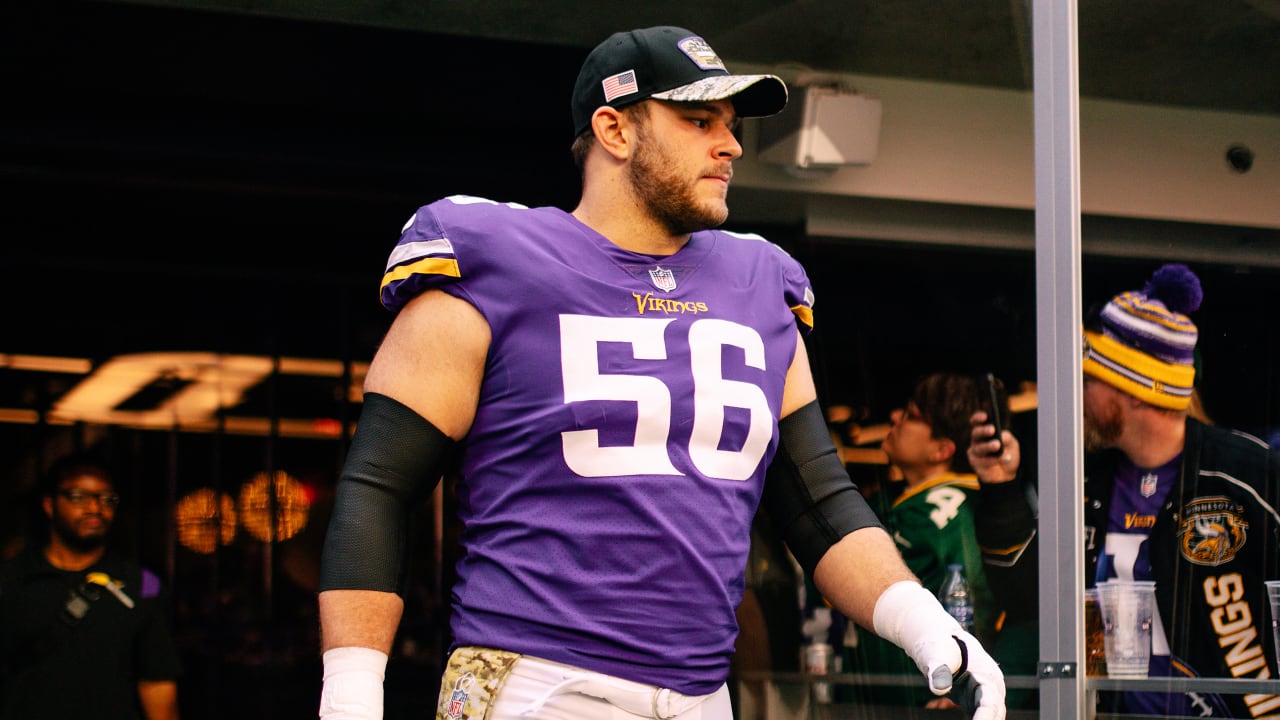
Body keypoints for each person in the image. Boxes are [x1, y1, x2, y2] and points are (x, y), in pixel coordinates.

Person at [317, 25, 1005, 720]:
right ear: (615, 129)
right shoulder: (497, 260)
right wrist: (350, 689)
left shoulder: (760, 283)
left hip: (703, 693)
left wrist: (926, 626)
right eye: (698, 119)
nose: (731, 145)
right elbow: (379, 487)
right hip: (541, 683)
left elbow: (818, 502)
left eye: (730, 125)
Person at [968, 263, 1280, 717]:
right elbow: (1029, 602)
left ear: (1134, 391)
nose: (1077, 395)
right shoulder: (1085, 479)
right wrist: (1000, 489)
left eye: (1089, 381)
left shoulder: (1247, 474)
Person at [849, 372, 1002, 708]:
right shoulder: (896, 499)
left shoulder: (950, 508)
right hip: (884, 695)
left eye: (911, 416)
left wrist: (963, 677)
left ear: (941, 450)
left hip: (925, 700)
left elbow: (973, 592)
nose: (894, 417)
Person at [0, 452, 182, 720]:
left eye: (107, 499)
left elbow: (157, 683)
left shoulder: (142, 585)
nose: (95, 508)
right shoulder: (9, 580)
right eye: (78, 497)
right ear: (49, 505)